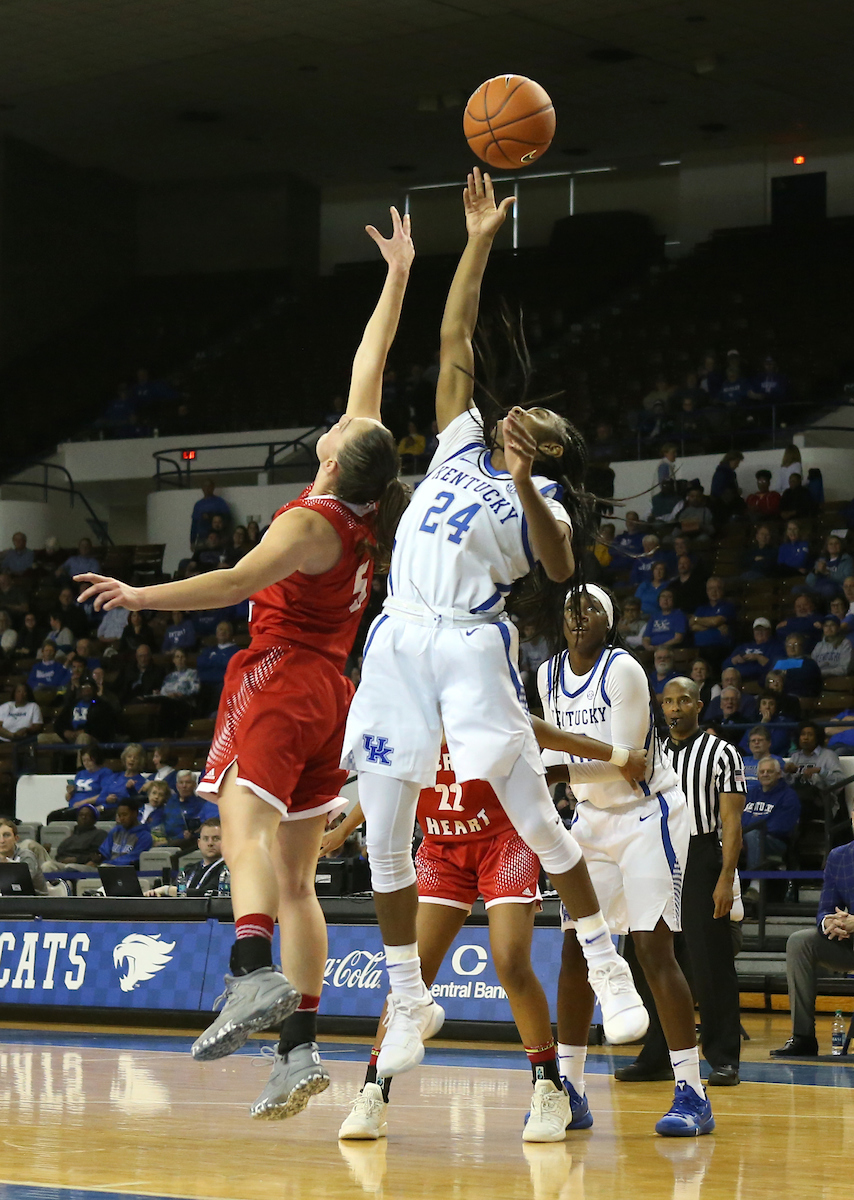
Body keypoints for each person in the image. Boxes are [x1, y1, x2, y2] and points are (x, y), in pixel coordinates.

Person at [76, 206, 416, 1118]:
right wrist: (396, 276)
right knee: (299, 876)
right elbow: (372, 363)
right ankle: (299, 1048)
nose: (336, 422)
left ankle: (251, 966)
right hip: (332, 693)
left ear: (337, 459)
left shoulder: (309, 523)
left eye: (338, 428)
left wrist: (140, 596)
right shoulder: (364, 504)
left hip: (280, 674)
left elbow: (231, 582)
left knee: (241, 830)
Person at [341, 170, 648, 1085]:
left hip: (470, 642)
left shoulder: (543, 493)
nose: (518, 411)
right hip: (398, 633)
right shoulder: (457, 442)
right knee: (383, 830)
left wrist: (521, 482)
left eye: (537, 420)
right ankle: (409, 1001)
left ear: (550, 449)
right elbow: (454, 338)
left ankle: (605, 965)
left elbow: (558, 567)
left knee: (538, 822)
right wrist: (476, 238)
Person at [330, 725, 646, 1141]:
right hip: (442, 847)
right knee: (412, 975)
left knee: (510, 961)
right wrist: (342, 830)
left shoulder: (477, 702)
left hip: (505, 839)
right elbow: (381, 781)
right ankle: (373, 1092)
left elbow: (540, 730)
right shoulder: (403, 712)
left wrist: (619, 756)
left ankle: (550, 1089)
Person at [539, 587, 714, 1135]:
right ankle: (571, 1090)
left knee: (652, 948)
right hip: (590, 819)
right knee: (576, 950)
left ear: (608, 622)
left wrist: (555, 771)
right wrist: (549, 773)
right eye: (571, 609)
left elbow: (628, 764)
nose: (578, 616)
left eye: (591, 609)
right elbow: (553, 752)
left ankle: (692, 1092)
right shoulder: (547, 674)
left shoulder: (624, 670)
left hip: (647, 815)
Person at [618, 676, 746, 1086]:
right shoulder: (649, 752)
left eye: (684, 701)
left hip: (701, 854)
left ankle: (723, 1058)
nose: (675, 708)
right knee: (647, 958)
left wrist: (725, 878)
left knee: (711, 962)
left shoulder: (722, 753)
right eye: (669, 701)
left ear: (699, 705)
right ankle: (658, 1054)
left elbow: (731, 823)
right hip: (651, 854)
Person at [771, 809, 854, 1057]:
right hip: (849, 944)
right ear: (852, 817)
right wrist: (830, 922)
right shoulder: (839, 857)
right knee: (800, 942)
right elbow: (825, 909)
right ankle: (803, 1036)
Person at [741, 757, 800, 869]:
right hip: (746, 837)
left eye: (770, 771)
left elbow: (781, 826)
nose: (765, 774)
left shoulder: (789, 796)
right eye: (762, 772)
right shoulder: (751, 793)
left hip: (775, 841)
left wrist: (751, 830)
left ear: (779, 774)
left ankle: (755, 877)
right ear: (757, 776)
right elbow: (741, 818)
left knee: (753, 834)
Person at [145, 817, 228, 897]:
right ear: (199, 843)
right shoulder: (189, 869)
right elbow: (174, 893)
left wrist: (166, 890)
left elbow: (206, 893)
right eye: (205, 839)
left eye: (216, 839)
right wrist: (157, 894)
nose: (210, 843)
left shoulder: (228, 870)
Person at [784, 721, 846, 799]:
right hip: (797, 798)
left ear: (817, 738)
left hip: (822, 800)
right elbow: (788, 784)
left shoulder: (828, 755)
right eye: (803, 734)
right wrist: (787, 772)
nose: (805, 738)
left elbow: (840, 781)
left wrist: (820, 771)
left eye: (810, 735)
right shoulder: (795, 756)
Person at [689, 576, 737, 668]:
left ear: (722, 590)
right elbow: (692, 626)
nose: (714, 591)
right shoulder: (701, 608)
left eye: (717, 588)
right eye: (711, 588)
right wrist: (714, 626)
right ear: (707, 591)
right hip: (700, 649)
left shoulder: (727, 606)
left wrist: (697, 620)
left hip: (719, 648)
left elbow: (715, 621)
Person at [196, 621, 240, 707]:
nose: (222, 632)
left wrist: (211, 661)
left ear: (230, 633)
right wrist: (219, 662)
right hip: (205, 684)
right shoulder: (209, 650)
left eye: (225, 630)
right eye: (220, 629)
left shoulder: (235, 651)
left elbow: (228, 666)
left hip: (222, 686)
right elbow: (200, 663)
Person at [723, 617, 779, 684]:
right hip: (738, 679)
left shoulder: (775, 647)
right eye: (757, 630)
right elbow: (725, 665)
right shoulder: (743, 647)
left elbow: (776, 667)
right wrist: (734, 660)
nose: (760, 632)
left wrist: (758, 657)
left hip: (759, 680)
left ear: (769, 631)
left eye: (763, 630)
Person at [0, 817, 48, 894]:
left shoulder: (26, 856)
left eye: (6, 835)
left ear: (16, 838)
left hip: (34, 899)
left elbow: (22, 882)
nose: (2, 840)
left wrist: (6, 862)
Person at [98, 802, 153, 867]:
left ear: (135, 814)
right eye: (119, 815)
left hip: (129, 870)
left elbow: (133, 858)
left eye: (124, 815)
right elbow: (104, 852)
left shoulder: (145, 836)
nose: (121, 818)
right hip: (107, 866)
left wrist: (109, 863)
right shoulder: (115, 831)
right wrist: (98, 858)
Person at [772, 632, 823, 699]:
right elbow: (770, 677)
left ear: (802, 647)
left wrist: (785, 674)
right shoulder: (780, 662)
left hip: (800, 695)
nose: (792, 647)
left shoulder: (809, 663)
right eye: (789, 644)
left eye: (796, 644)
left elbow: (805, 678)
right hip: (778, 695)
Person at [806, 537, 853, 602]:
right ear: (827, 547)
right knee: (796, 589)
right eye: (830, 544)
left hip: (836, 587)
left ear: (841, 546)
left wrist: (827, 572)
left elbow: (847, 579)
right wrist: (815, 572)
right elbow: (809, 581)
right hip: (818, 587)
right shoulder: (821, 560)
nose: (833, 546)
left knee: (828, 588)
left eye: (836, 543)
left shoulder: (847, 560)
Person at [739, 725, 784, 792]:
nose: (756, 743)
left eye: (760, 740)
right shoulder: (742, 761)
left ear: (769, 743)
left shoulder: (776, 761)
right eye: (753, 741)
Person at [190, 480, 232, 548]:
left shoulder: (220, 502)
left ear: (213, 488)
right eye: (205, 486)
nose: (207, 488)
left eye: (209, 486)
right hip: (202, 538)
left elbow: (228, 519)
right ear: (202, 488)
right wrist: (192, 541)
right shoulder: (198, 505)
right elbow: (194, 524)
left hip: (218, 539)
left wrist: (211, 516)